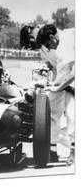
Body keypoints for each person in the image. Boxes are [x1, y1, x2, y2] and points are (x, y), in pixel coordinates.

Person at [20, 24, 75, 162]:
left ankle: (75, 149)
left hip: (70, 79)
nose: (33, 45)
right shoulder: (43, 44)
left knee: (72, 114)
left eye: (31, 41)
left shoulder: (61, 40)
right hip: (61, 79)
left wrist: (61, 85)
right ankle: (52, 150)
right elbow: (51, 67)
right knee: (51, 112)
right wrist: (50, 83)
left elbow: (74, 70)